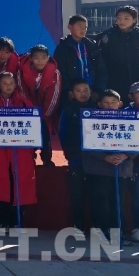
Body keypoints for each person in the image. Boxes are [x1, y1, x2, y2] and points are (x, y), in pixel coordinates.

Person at [0, 72, 36, 230]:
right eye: (4, 83)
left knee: (21, 183)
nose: (8, 86)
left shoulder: (24, 102)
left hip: (20, 150)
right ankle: (3, 221)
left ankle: (18, 222)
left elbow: (32, 125)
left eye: (11, 83)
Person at [82, 90, 135, 242]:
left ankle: (118, 233)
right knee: (100, 202)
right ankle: (100, 232)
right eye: (106, 102)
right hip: (99, 169)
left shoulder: (130, 119)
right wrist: (105, 157)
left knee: (117, 203)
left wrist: (126, 155)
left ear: (120, 104)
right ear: (99, 104)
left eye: (113, 102)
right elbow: (87, 143)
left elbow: (136, 141)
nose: (110, 106)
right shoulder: (91, 120)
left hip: (121, 169)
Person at [16, 45, 62, 167]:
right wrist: (30, 113)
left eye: (43, 57)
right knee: (28, 132)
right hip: (28, 109)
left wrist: (44, 116)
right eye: (36, 58)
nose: (40, 61)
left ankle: (47, 158)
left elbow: (53, 96)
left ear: (48, 58)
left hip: (45, 109)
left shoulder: (55, 73)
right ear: (31, 58)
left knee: (44, 131)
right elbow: (22, 91)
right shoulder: (22, 69)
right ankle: (29, 156)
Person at [58, 79, 92, 238]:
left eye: (86, 90)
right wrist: (68, 153)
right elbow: (62, 134)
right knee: (77, 195)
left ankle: (98, 227)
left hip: (96, 162)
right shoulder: (68, 111)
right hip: (76, 160)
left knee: (96, 195)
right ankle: (78, 225)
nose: (83, 93)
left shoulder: (97, 109)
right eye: (78, 90)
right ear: (72, 94)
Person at [54, 14, 107, 102]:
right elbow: (60, 71)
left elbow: (101, 70)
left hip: (92, 93)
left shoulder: (92, 46)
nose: (83, 30)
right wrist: (67, 90)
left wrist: (98, 90)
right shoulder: (63, 48)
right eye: (79, 26)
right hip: (71, 95)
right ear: (70, 27)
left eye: (85, 27)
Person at [98, 6, 139, 101]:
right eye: (119, 17)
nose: (122, 21)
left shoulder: (138, 36)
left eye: (126, 18)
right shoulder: (108, 36)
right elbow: (101, 62)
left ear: (134, 20)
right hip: (114, 82)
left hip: (137, 83)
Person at [125, 82, 139, 243]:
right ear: (130, 96)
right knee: (137, 197)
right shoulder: (125, 113)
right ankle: (137, 229)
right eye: (138, 93)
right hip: (135, 164)